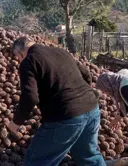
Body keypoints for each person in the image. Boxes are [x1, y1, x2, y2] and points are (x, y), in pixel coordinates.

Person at [6, 37, 106, 166]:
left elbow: (30, 97)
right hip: (92, 109)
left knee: (36, 161)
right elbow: (86, 74)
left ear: (20, 53)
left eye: (18, 58)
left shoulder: (29, 61)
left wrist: (16, 122)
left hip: (65, 117)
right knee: (88, 155)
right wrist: (82, 97)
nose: (19, 61)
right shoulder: (61, 52)